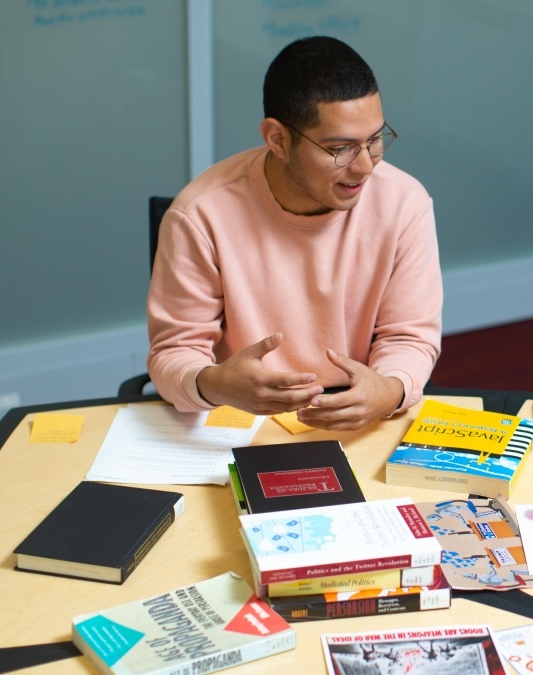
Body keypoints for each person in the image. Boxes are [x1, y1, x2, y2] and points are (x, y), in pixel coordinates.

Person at [147, 36, 441, 431]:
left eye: (374, 140)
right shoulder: (199, 215)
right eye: (341, 149)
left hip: (359, 412)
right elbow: (174, 353)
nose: (365, 167)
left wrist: (390, 390)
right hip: (238, 413)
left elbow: (409, 338)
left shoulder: (404, 203)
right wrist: (214, 383)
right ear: (278, 139)